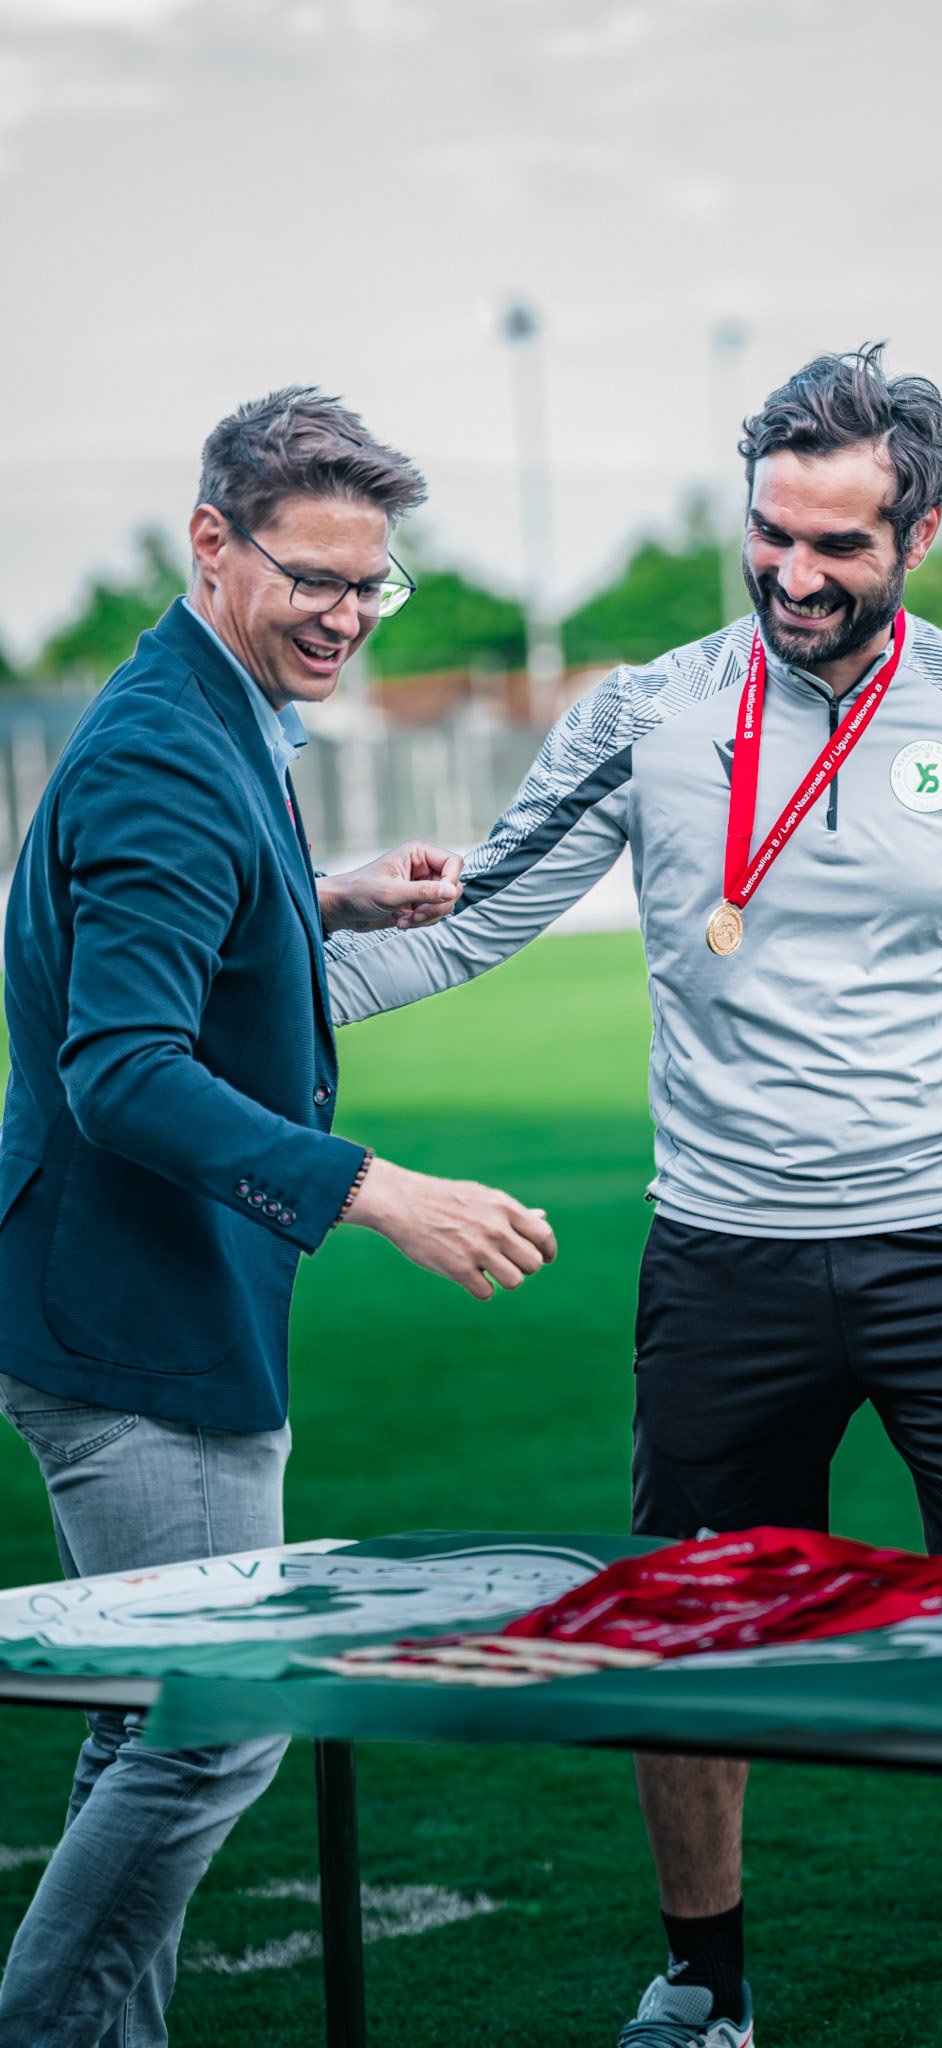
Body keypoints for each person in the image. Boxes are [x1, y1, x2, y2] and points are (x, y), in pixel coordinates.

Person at [325, 348, 942, 2048]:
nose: (793, 574)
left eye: (838, 544)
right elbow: (474, 924)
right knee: (682, 1635)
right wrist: (233, 986)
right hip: (724, 1255)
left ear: (913, 534)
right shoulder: (645, 708)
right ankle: (703, 1980)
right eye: (770, 534)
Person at [0, 388, 557, 2048]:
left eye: (367, 585)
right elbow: (123, 1072)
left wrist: (317, 897)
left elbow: (150, 933)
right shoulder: (170, 746)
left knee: (155, 1719)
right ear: (212, 546)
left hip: (154, 1295)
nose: (342, 616)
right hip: (131, 1319)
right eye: (311, 577)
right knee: (218, 1717)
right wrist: (377, 1190)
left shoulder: (204, 705)